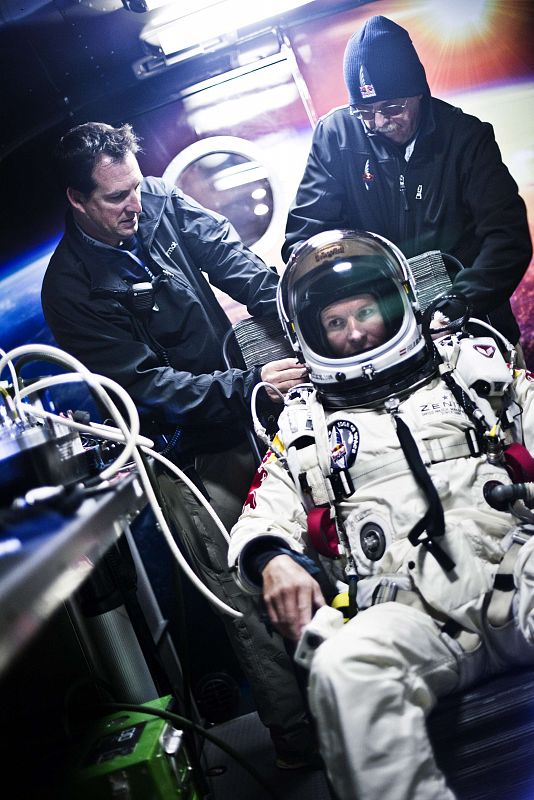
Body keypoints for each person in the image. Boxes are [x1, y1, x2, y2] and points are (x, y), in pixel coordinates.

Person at [40, 121, 315, 768]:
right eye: (115, 198)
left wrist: (300, 312)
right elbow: (150, 386)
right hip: (184, 452)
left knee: (309, 544)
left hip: (252, 418)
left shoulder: (160, 200)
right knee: (239, 591)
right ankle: (297, 738)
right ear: (77, 200)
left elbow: (237, 264)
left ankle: (348, 689)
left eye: (134, 186)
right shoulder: (70, 291)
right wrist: (250, 384)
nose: (134, 203)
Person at [228, 228, 534, 800]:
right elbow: (259, 519)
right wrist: (272, 560)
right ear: (311, 336)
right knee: (343, 667)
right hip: (408, 615)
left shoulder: (470, 365)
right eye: (335, 324)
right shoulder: (303, 426)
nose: (354, 333)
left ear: (395, 303)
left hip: (516, 577)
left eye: (365, 312)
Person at [282, 14, 532, 355]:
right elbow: (305, 239)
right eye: (364, 111)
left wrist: (461, 302)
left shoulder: (466, 138)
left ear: (419, 92)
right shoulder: (335, 136)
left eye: (392, 107)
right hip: (384, 337)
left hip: (472, 325)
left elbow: (508, 238)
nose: (379, 123)